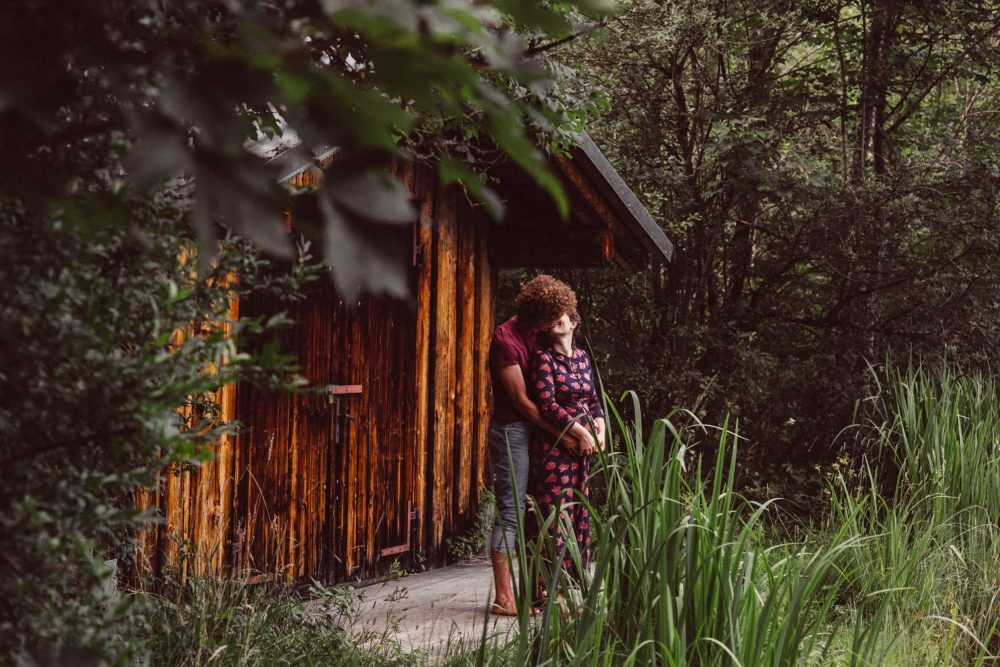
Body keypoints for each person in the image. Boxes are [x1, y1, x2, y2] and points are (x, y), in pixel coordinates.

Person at [487, 275, 597, 617]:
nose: (554, 325)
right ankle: (503, 598)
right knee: (512, 509)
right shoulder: (505, 340)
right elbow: (522, 402)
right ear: (536, 315)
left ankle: (547, 588)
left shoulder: (541, 331)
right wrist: (567, 433)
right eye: (550, 320)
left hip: (544, 428)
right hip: (513, 429)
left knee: (546, 509)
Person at [528, 310, 604, 594]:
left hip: (582, 450)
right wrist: (582, 433)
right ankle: (545, 586)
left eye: (563, 315)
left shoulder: (583, 358)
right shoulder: (543, 359)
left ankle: (573, 580)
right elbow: (547, 404)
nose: (556, 319)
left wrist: (600, 431)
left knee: (578, 512)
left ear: (574, 322)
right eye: (552, 316)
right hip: (555, 447)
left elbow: (594, 400)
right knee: (554, 513)